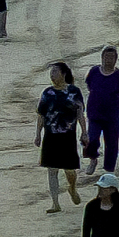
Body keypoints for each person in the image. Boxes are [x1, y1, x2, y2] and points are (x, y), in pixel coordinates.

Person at [37, 63, 84, 210]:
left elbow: (80, 114)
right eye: (51, 73)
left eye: (55, 72)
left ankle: (72, 188)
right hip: (50, 137)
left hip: (67, 137)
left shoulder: (74, 92)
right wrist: (38, 134)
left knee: (70, 170)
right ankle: (55, 203)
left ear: (63, 74)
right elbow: (41, 115)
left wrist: (84, 132)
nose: (52, 75)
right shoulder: (47, 93)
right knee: (52, 170)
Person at [84, 46, 119, 177]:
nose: (109, 60)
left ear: (116, 59)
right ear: (102, 58)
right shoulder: (94, 71)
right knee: (92, 139)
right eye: (106, 57)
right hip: (94, 114)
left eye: (112, 57)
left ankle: (109, 170)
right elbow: (89, 86)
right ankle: (93, 159)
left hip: (111, 116)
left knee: (112, 143)